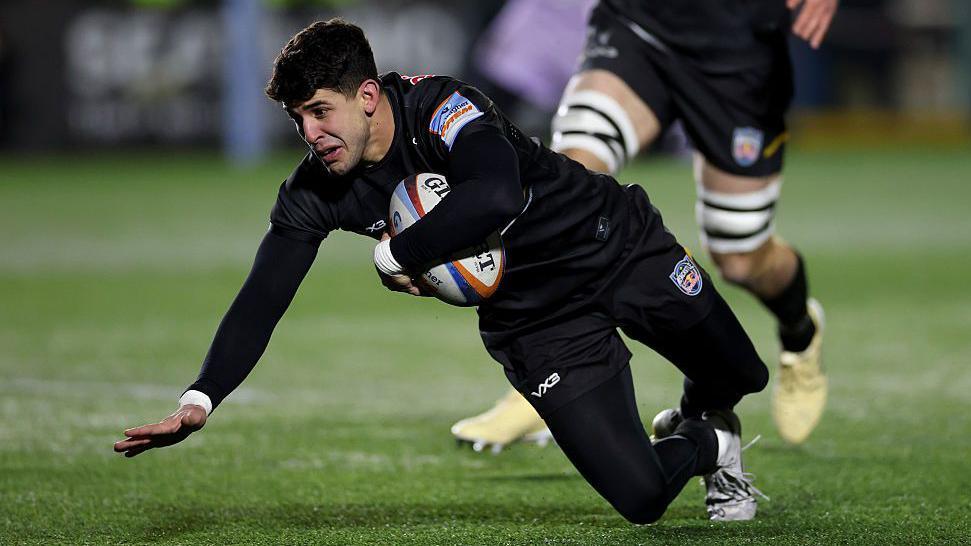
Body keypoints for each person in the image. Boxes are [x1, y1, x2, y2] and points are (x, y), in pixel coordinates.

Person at [114, 19, 771, 522]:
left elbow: (495, 196)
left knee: (741, 373)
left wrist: (395, 253)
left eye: (319, 111)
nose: (309, 133)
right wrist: (199, 400)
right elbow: (262, 297)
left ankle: (700, 407)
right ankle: (708, 446)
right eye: (297, 119)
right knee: (641, 499)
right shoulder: (314, 190)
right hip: (537, 322)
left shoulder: (440, 107)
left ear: (367, 95)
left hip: (613, 247)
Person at [451, 0, 838, 450]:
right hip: (639, 20)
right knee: (569, 187)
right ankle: (548, 379)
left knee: (741, 256)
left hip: (736, 42)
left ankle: (800, 332)